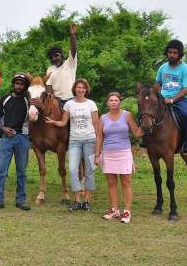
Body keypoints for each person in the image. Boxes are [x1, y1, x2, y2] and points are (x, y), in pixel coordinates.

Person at [46, 78, 100, 211]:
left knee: (89, 170)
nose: (81, 90)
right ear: (74, 89)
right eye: (78, 87)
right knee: (72, 169)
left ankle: (87, 201)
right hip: (75, 141)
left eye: (83, 87)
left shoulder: (91, 104)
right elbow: (64, 122)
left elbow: (96, 124)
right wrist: (53, 122)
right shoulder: (69, 104)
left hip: (90, 140)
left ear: (86, 89)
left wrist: (99, 142)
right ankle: (77, 200)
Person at [0, 74, 32, 212]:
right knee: (0, 170)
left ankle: (21, 200)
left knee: (21, 171)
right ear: (13, 84)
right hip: (6, 138)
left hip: (22, 137)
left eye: (21, 84)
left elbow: (35, 114)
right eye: (16, 83)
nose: (19, 86)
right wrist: (3, 128)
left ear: (25, 86)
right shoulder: (5, 98)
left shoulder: (28, 100)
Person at [95, 92, 142, 223]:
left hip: (124, 153)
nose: (114, 102)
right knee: (111, 183)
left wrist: (146, 126)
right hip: (108, 153)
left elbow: (137, 132)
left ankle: (127, 212)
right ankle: (115, 210)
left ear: (119, 102)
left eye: (116, 100)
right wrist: (97, 155)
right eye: (111, 100)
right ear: (107, 103)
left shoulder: (127, 115)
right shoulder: (103, 117)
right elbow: (99, 136)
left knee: (126, 182)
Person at [155, 39, 187, 155]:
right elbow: (157, 83)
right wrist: (159, 95)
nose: (172, 55)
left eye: (175, 53)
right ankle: (145, 139)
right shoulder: (163, 67)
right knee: (146, 112)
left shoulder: (185, 69)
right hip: (163, 98)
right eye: (170, 52)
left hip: (181, 100)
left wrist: (172, 100)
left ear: (180, 54)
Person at [45, 24, 78, 108]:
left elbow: (73, 49)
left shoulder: (70, 63)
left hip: (71, 100)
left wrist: (72, 36)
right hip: (56, 102)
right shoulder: (50, 69)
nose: (54, 58)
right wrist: (52, 100)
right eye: (51, 57)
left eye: (56, 56)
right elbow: (49, 87)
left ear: (61, 55)